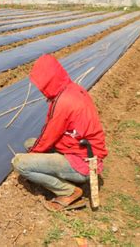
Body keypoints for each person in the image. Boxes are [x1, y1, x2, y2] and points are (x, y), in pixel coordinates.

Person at [12, 54, 107, 211]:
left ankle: (69, 191)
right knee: (30, 143)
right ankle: (70, 177)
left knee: (20, 163)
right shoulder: (72, 89)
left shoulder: (63, 103)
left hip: (83, 163)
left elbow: (48, 137)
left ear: (48, 81)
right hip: (84, 152)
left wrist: (31, 156)